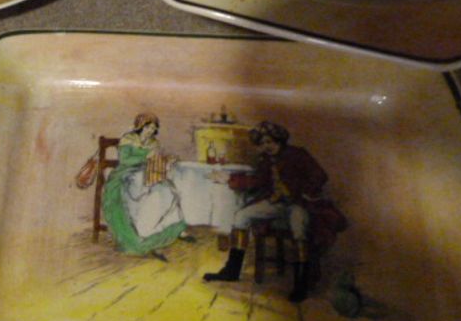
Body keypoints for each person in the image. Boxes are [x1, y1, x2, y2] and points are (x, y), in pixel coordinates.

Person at [203, 121, 334, 302]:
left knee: (299, 227)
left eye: (270, 142)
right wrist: (229, 179)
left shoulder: (298, 154)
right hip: (275, 204)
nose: (267, 146)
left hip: (299, 203)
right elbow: (256, 181)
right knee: (241, 216)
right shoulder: (265, 161)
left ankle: (301, 284)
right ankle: (232, 270)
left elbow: (320, 176)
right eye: (263, 143)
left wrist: (299, 192)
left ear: (279, 140)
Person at [101, 113, 187, 261]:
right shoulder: (128, 138)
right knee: (140, 186)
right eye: (148, 127)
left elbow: (155, 161)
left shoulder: (154, 142)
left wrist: (166, 160)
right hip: (125, 172)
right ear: (140, 126)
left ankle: (155, 231)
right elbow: (124, 160)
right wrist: (144, 157)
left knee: (166, 191)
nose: (150, 131)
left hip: (148, 173)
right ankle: (138, 237)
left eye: (153, 128)